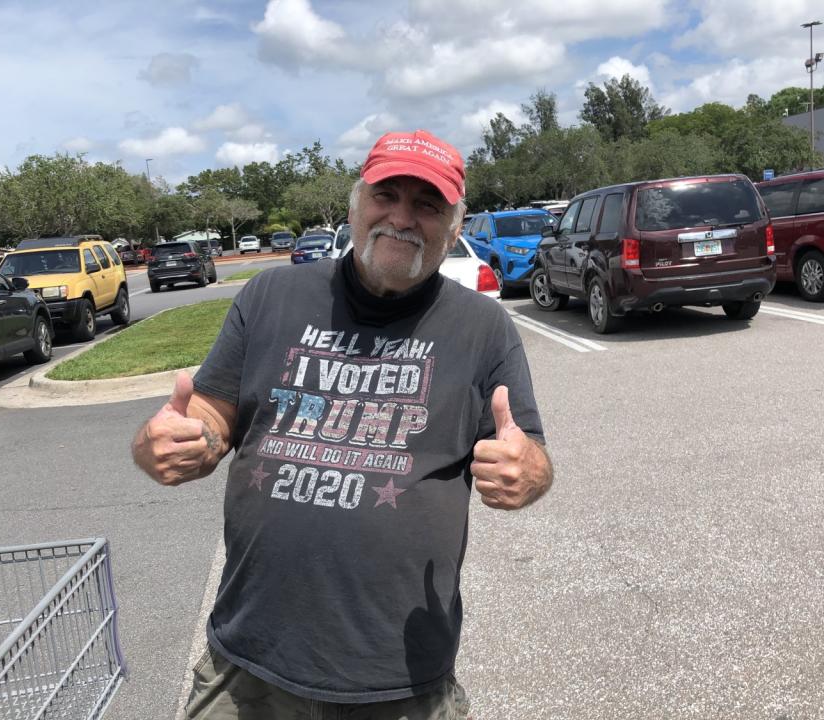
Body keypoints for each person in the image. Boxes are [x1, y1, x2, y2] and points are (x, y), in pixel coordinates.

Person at [132, 129, 553, 720]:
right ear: (356, 205)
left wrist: (524, 472)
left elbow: (528, 454)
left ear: (455, 227)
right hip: (248, 670)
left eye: (427, 205)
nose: (402, 218)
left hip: (401, 677)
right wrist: (181, 440)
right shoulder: (271, 295)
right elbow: (209, 415)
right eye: (386, 196)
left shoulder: (483, 328)